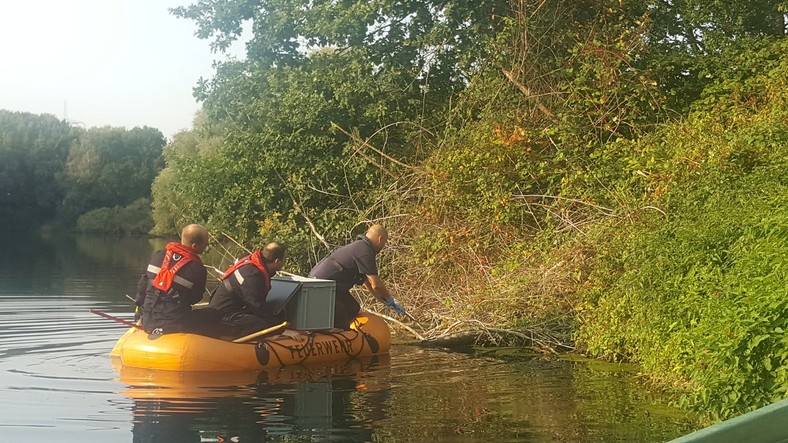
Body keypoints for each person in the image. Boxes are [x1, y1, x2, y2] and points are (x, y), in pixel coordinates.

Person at [309, 224, 406, 329]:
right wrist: (389, 298)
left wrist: (385, 302)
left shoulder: (360, 247)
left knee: (352, 307)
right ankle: (334, 333)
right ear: (380, 239)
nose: (383, 246)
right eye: (384, 243)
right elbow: (376, 285)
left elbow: (368, 283)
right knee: (342, 315)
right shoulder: (365, 251)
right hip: (321, 286)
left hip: (328, 286)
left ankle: (343, 332)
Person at [135, 224, 219, 336]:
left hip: (147, 320)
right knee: (214, 314)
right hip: (174, 323)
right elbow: (195, 298)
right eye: (205, 244)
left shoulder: (158, 255)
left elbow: (142, 287)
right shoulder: (197, 269)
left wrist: (139, 312)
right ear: (194, 246)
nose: (206, 247)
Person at [209, 242, 288, 339]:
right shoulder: (252, 275)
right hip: (223, 315)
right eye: (284, 259)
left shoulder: (253, 265)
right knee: (263, 323)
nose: (284, 262)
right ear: (277, 261)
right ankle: (261, 340)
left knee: (273, 317)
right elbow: (257, 306)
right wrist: (280, 329)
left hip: (229, 309)